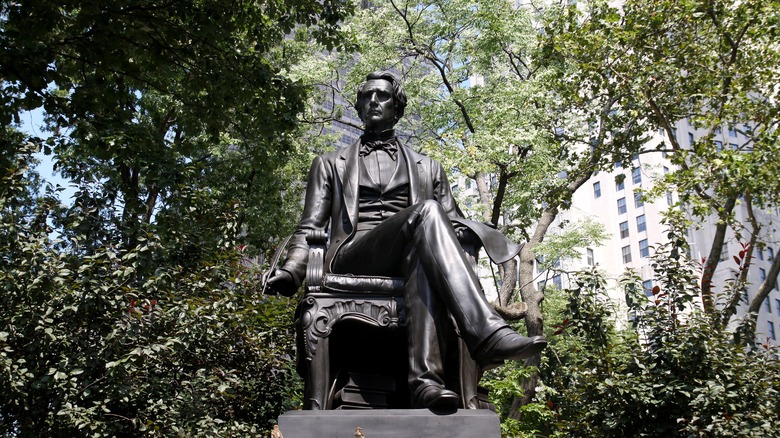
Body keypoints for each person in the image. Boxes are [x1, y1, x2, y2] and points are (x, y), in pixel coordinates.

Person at [266, 71, 546, 410]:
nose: (373, 101)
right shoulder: (329, 164)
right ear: (358, 107)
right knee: (427, 212)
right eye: (366, 96)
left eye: (382, 96)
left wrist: (474, 233)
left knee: (424, 252)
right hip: (353, 254)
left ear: (397, 109)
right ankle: (487, 333)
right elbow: (309, 226)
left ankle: (426, 384)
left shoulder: (429, 168)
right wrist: (292, 271)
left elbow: (452, 224)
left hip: (412, 255)